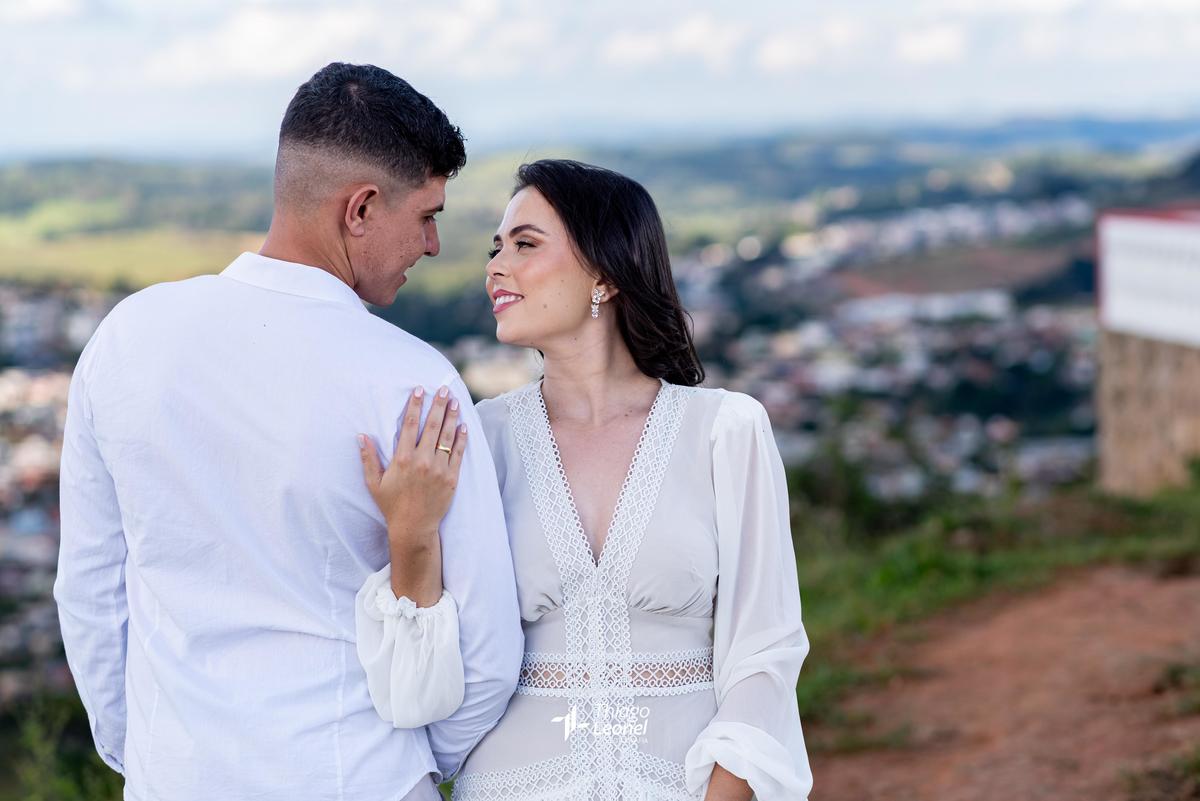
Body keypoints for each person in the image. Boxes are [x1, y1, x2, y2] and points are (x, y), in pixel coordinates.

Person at [54, 62, 523, 801]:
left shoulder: (124, 339)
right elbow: (489, 651)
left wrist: (146, 755)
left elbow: (90, 595)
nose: (432, 245)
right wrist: (410, 765)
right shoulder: (414, 382)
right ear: (360, 209)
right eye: (427, 215)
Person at [356, 159, 812, 801]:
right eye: (496, 248)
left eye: (525, 244)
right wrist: (410, 535)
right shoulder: (478, 442)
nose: (495, 267)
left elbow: (763, 657)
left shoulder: (724, 432)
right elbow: (415, 693)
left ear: (604, 271)